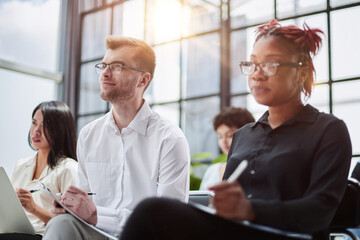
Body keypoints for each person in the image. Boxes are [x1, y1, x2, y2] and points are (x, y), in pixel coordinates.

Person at [119, 19, 352, 240]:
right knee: (156, 214)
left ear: (300, 72)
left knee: (153, 212)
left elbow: (321, 210)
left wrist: (251, 210)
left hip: (289, 235)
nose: (257, 74)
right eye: (252, 64)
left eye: (270, 64)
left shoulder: (328, 130)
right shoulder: (243, 135)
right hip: (236, 232)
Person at [42, 36, 190, 240]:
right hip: (96, 234)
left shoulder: (170, 139)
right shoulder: (89, 135)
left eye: (117, 66)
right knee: (61, 223)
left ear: (143, 79)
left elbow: (167, 223)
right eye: (103, 65)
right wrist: (74, 209)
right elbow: (86, 205)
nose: (105, 73)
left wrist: (96, 216)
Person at [0, 101, 78, 240]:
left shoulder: (69, 169)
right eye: (34, 123)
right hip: (14, 232)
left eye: (45, 126)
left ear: (60, 130)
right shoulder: (21, 165)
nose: (36, 131)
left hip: (44, 235)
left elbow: (71, 225)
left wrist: (34, 208)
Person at [200, 107, 254, 190]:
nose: (224, 142)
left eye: (230, 135)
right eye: (220, 137)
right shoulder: (212, 170)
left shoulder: (255, 170)